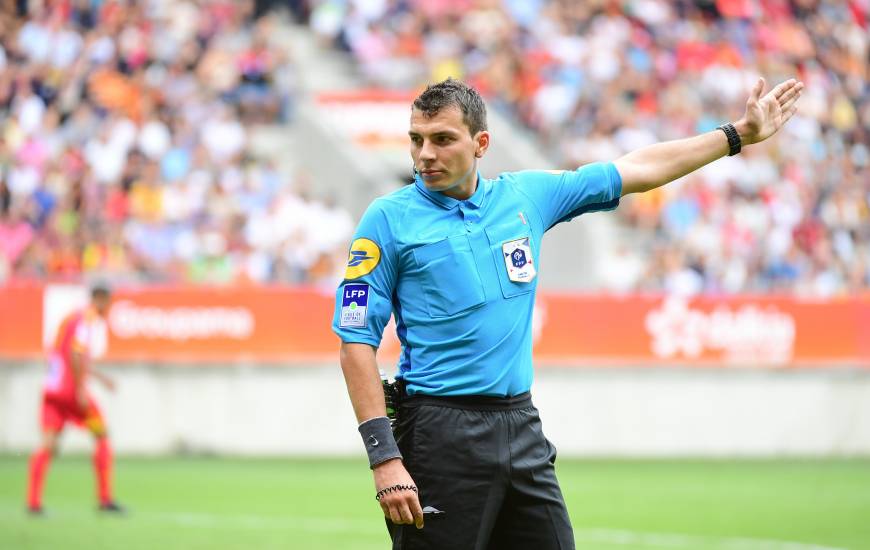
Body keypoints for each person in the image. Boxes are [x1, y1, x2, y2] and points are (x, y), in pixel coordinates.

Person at [332, 77, 803, 549]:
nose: (424, 154)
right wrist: (384, 458)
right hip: (438, 432)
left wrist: (736, 135)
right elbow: (355, 344)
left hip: (520, 426)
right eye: (416, 139)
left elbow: (635, 168)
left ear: (481, 144)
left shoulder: (524, 198)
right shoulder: (388, 219)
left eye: (442, 139)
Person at [26, 284, 125, 515]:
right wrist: (80, 388)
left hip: (52, 393)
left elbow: (62, 353)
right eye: (109, 302)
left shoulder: (70, 318)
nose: (109, 308)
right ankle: (104, 499)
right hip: (71, 394)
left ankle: (33, 502)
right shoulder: (86, 319)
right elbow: (76, 353)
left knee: (48, 445)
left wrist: (101, 378)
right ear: (100, 298)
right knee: (101, 434)